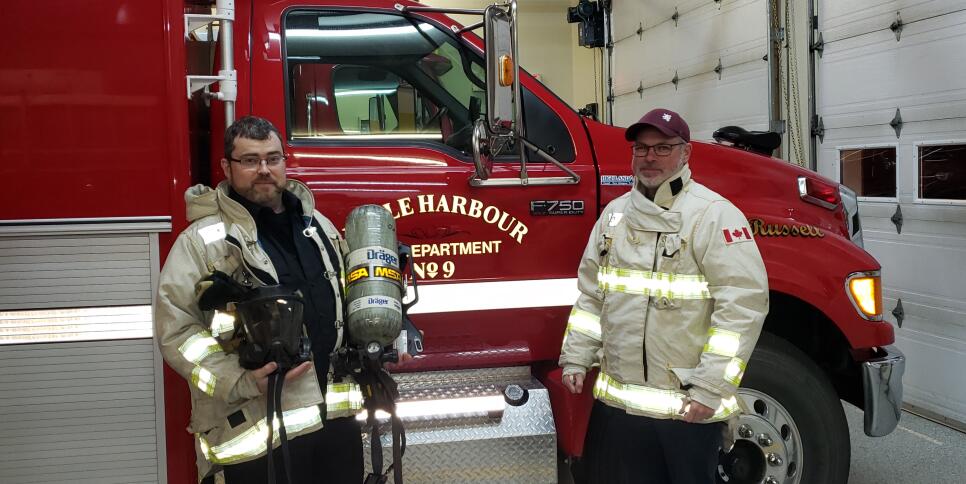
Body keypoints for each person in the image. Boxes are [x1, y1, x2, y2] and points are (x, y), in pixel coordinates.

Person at [559, 108, 769, 483]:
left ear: (685, 153)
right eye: (641, 148)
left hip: (688, 410)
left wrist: (709, 388)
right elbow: (591, 296)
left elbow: (742, 308)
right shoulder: (613, 217)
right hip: (623, 411)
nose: (650, 157)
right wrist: (576, 356)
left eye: (662, 148)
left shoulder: (713, 215)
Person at [155, 116, 364, 483]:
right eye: (250, 160)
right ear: (227, 167)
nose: (264, 169)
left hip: (334, 424)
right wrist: (241, 381)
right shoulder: (202, 241)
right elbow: (178, 332)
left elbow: (348, 299)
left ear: (285, 162)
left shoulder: (317, 226)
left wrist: (381, 333)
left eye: (273, 158)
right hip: (258, 429)